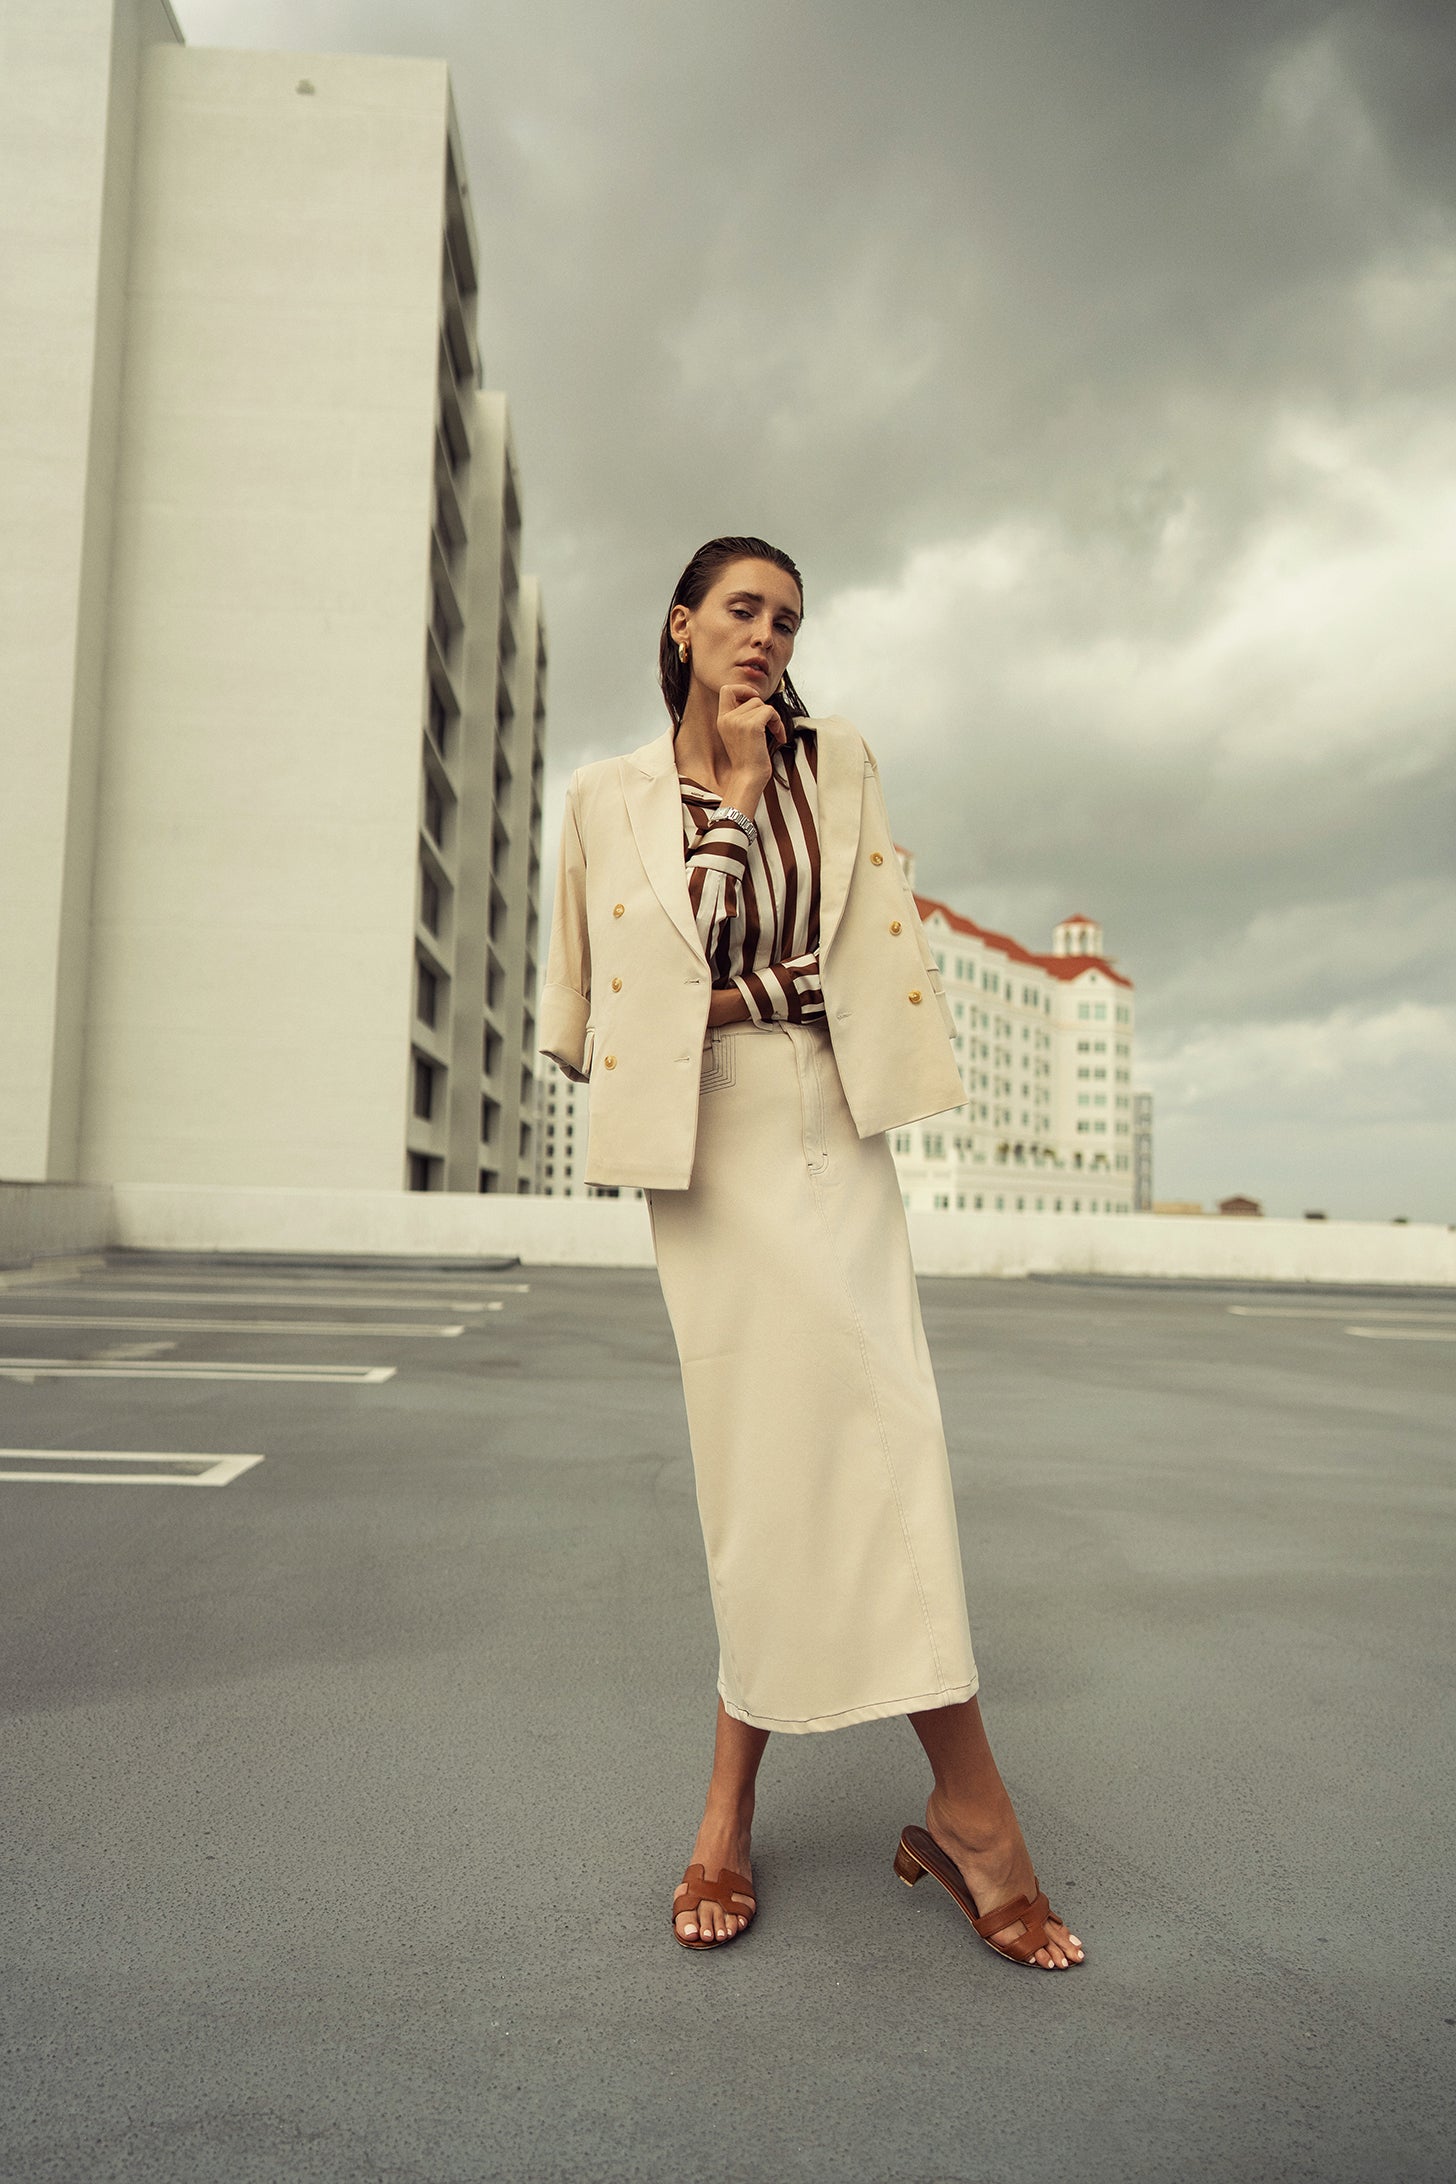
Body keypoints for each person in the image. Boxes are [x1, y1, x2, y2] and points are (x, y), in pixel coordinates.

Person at [540, 536, 1085, 1971]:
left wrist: (754, 822)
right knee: (762, 1470)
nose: (768, 634)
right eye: (741, 609)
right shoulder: (606, 802)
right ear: (681, 625)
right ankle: (793, 1814)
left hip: (834, 1126)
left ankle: (953, 1808)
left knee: (885, 1438)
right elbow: (596, 1015)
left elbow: (855, 962)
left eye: (787, 617)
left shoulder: (836, 763)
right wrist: (716, 793)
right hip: (706, 1157)